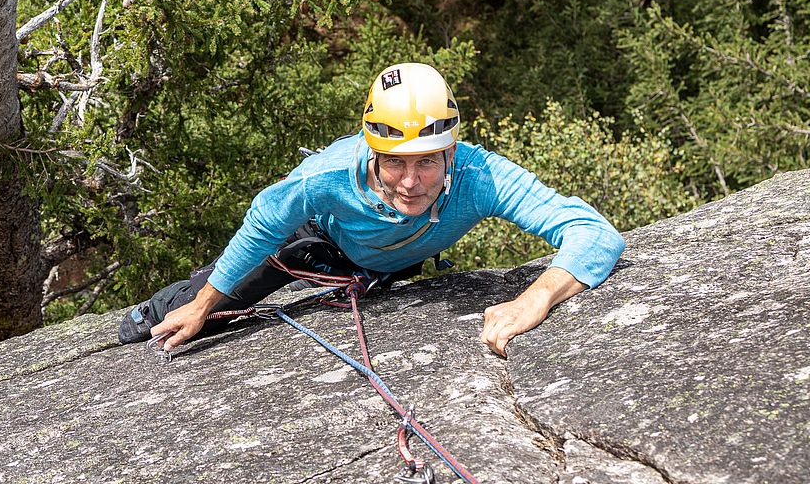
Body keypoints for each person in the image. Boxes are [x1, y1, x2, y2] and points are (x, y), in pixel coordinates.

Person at [118, 62, 625, 357]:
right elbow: (263, 224)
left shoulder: (480, 178)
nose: (410, 182)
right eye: (395, 164)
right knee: (226, 299)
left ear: (452, 151)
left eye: (427, 162)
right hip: (321, 242)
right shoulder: (328, 175)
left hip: (389, 262)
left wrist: (535, 299)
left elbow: (594, 233)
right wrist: (204, 303)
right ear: (372, 153)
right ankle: (160, 308)